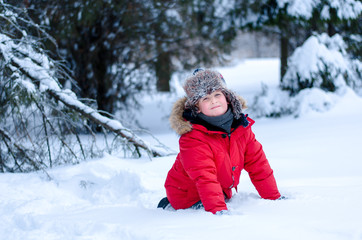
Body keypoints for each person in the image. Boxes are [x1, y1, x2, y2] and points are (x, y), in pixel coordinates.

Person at [158, 69, 282, 214]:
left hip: (219, 191)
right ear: (196, 108)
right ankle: (171, 204)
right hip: (188, 196)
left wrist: (273, 197)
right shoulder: (193, 138)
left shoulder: (241, 128)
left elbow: (258, 164)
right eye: (205, 98)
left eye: (217, 94)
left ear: (228, 98)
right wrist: (218, 210)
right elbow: (204, 177)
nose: (213, 101)